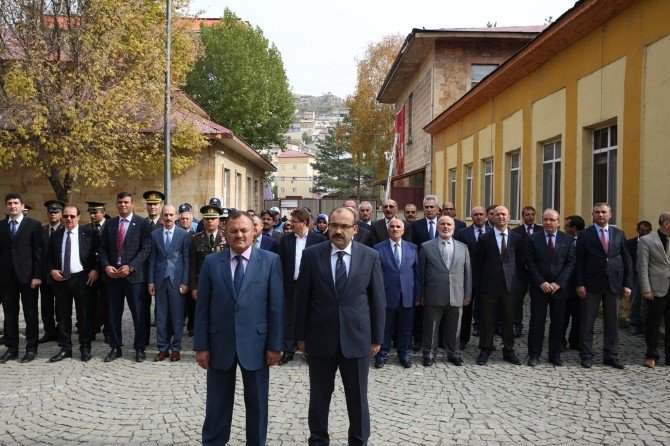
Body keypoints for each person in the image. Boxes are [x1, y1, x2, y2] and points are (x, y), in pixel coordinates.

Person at [295, 207, 385, 446]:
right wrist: (300, 336)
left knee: (357, 398)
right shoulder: (312, 255)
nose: (338, 230)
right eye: (334, 225)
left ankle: (359, 440)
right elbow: (302, 298)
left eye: (344, 226)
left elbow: (377, 300)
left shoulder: (370, 256)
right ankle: (318, 440)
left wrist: (377, 337)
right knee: (319, 397)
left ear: (355, 229)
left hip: (357, 339)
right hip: (320, 339)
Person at [194, 211, 284, 446]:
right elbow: (202, 308)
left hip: (257, 344)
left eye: (244, 230)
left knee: (257, 404)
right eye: (233, 230)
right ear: (225, 233)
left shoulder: (270, 261)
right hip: (219, 343)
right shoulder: (212, 262)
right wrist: (201, 346)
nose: (239, 235)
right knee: (217, 403)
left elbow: (276, 307)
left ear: (254, 231)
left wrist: (275, 345)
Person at [575, 202, 633, 369]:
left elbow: (627, 259)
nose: (600, 215)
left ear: (610, 214)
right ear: (592, 215)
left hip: (614, 284)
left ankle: (611, 355)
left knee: (612, 322)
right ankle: (586, 355)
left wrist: (628, 284)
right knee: (587, 321)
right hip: (590, 285)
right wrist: (579, 284)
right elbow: (578, 261)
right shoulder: (585, 235)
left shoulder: (619, 234)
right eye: (597, 212)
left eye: (603, 212)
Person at [99, 192, 152, 363]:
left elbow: (146, 249)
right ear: (116, 203)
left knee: (139, 313)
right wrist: (106, 265)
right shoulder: (110, 224)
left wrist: (131, 267)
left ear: (132, 204)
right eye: (120, 202)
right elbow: (103, 248)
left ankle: (139, 348)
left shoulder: (142, 224)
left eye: (126, 202)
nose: (123, 205)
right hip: (113, 276)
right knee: (114, 313)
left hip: (134, 277)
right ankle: (115, 347)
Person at [46, 204, 100, 362]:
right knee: (62, 316)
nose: (68, 219)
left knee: (84, 315)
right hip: (61, 279)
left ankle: (85, 348)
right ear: (62, 218)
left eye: (71, 216)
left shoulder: (89, 233)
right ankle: (65, 348)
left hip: (82, 278)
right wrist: (52, 271)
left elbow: (101, 253)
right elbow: (48, 258)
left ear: (78, 217)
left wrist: (96, 269)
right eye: (65, 216)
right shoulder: (56, 235)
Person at [525, 209, 575, 366]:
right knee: (537, 322)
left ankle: (555, 354)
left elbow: (570, 263)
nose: (548, 222)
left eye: (552, 220)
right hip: (539, 287)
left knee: (558, 322)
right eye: (545, 219)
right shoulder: (533, 239)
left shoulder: (567, 239)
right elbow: (530, 263)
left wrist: (557, 283)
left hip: (559, 289)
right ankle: (534, 354)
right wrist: (541, 282)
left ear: (558, 222)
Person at [420, 215, 471, 367]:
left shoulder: (463, 247)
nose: (445, 227)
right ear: (437, 227)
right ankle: (429, 353)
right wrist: (421, 295)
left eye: (449, 224)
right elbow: (420, 274)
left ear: (454, 228)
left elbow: (468, 274)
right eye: (442, 224)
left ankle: (453, 353)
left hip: (456, 294)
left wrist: (467, 295)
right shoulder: (426, 246)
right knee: (431, 326)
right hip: (433, 294)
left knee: (454, 327)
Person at [475, 206, 523, 366]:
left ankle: (509, 350)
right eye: (497, 214)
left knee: (509, 320)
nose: (501, 217)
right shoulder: (484, 238)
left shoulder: (517, 238)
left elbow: (521, 264)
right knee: (487, 320)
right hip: (489, 287)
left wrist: (519, 286)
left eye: (504, 214)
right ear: (492, 218)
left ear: (509, 217)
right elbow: (479, 264)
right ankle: (485, 349)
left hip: (510, 287)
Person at [277, 208, 325, 365]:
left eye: (294, 222)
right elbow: (281, 263)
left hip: (311, 286)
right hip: (290, 284)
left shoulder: (318, 240)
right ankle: (288, 350)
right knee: (289, 318)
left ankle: (308, 350)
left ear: (303, 223)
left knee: (309, 317)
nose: (291, 224)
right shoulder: (286, 240)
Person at [0, 193, 43, 363]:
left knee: (30, 314)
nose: (12, 206)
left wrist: (37, 276)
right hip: (6, 278)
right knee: (10, 315)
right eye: (9, 203)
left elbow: (39, 252)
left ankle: (31, 348)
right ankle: (12, 348)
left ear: (22, 206)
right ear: (6, 206)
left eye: (16, 203)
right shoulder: (1, 226)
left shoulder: (33, 225)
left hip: (28, 277)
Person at [373, 217, 421, 369]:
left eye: (398, 226)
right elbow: (375, 275)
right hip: (386, 296)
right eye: (392, 226)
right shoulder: (378, 248)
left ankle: (404, 354)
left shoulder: (413, 248)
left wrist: (418, 296)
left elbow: (417, 273)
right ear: (388, 230)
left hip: (408, 296)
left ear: (403, 230)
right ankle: (381, 355)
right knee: (385, 328)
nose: (395, 229)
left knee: (406, 329)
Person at [148, 205, 190, 362]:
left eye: (171, 214)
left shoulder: (183, 235)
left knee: (178, 316)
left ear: (176, 216)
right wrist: (150, 281)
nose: (168, 217)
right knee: (161, 315)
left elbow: (186, 259)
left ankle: (176, 348)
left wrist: (185, 281)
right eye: (165, 214)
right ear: (162, 216)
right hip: (159, 280)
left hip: (177, 280)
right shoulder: (155, 234)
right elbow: (152, 259)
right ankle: (163, 348)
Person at [455, 206, 492, 345]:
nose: (479, 217)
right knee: (465, 311)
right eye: (475, 214)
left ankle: (486, 342)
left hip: (486, 278)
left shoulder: (492, 231)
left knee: (487, 312)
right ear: (471, 217)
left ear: (486, 216)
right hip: (467, 278)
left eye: (481, 214)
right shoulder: (463, 232)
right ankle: (463, 340)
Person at [637, 211, 670, 368]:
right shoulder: (647, 240)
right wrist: (646, 288)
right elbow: (642, 266)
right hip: (656, 288)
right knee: (653, 324)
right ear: (666, 224)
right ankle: (651, 355)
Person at [188, 205, 226, 337]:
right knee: (202, 313)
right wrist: (194, 287)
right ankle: (202, 339)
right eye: (207, 218)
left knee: (220, 312)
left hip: (222, 283)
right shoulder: (196, 239)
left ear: (218, 220)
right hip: (202, 283)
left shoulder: (226, 237)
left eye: (213, 218)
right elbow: (192, 265)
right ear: (203, 220)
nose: (210, 221)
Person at [410, 195, 441, 351]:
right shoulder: (416, 226)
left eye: (432, 207)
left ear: (437, 209)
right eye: (426, 207)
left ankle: (439, 339)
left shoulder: (444, 224)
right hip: (421, 271)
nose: (429, 209)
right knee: (419, 309)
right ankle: (418, 339)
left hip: (439, 274)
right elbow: (412, 248)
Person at [511, 205, 543, 338]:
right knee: (518, 300)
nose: (530, 217)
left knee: (538, 301)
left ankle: (536, 328)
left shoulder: (541, 230)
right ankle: (517, 325)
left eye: (532, 214)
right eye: (527, 215)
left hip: (538, 271)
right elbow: (514, 251)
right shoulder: (516, 231)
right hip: (521, 271)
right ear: (522, 216)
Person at [38, 200, 65, 344]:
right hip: (45, 275)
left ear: (61, 213)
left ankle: (61, 332)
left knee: (61, 306)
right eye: (50, 212)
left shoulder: (65, 230)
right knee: (46, 305)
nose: (53, 214)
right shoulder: (41, 230)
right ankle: (49, 331)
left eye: (56, 212)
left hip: (60, 274)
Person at [86, 201, 109, 342]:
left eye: (95, 212)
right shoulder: (87, 228)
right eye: (91, 213)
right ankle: (93, 328)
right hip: (91, 272)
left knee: (107, 303)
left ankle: (108, 331)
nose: (93, 215)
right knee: (91, 302)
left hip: (106, 271)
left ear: (103, 213)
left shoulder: (110, 226)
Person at [562, 215, 585, 350]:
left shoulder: (586, 240)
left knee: (579, 316)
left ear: (573, 228)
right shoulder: (564, 240)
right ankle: (560, 340)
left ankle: (575, 341)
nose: (564, 228)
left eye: (566, 226)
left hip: (580, 285)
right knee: (562, 315)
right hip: (565, 285)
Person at [626, 220, 652, 335]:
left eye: (648, 231)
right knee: (635, 302)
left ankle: (648, 326)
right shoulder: (630, 243)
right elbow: (627, 261)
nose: (645, 233)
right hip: (635, 276)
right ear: (637, 231)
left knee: (649, 302)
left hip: (650, 276)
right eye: (643, 231)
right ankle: (634, 325)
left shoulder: (654, 243)